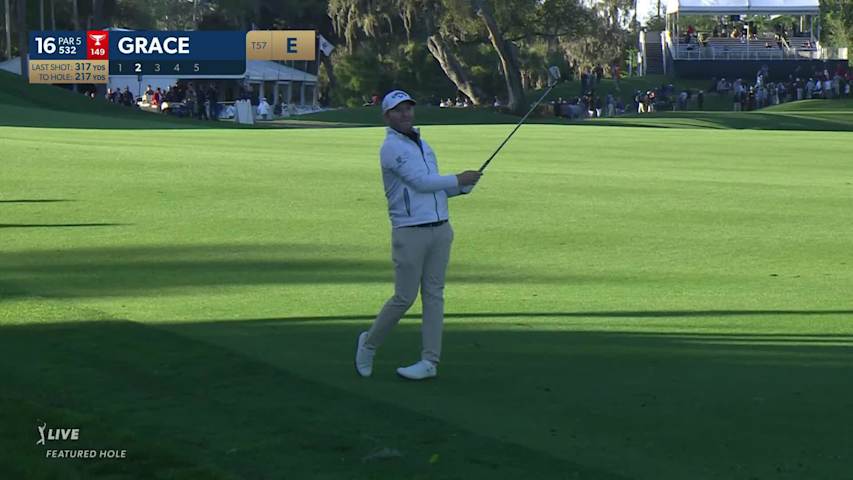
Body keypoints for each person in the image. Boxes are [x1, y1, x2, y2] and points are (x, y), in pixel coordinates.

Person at [354, 90, 482, 381]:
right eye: (398, 111)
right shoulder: (391, 148)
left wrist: (462, 187)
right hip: (410, 231)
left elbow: (435, 187)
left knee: (435, 296)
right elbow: (421, 183)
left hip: (440, 229)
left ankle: (429, 361)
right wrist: (457, 178)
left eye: (408, 109)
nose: (405, 115)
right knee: (404, 297)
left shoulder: (423, 145)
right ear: (387, 116)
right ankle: (369, 344)